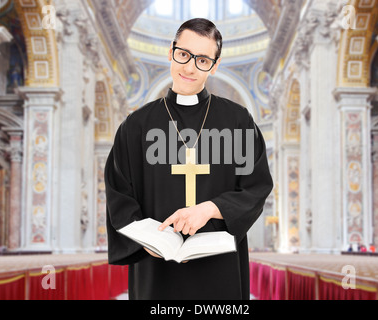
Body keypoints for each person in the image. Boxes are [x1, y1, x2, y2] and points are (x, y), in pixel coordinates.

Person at [105, 18, 273, 300]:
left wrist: (210, 208)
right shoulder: (136, 126)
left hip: (219, 269)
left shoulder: (238, 121)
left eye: (203, 60)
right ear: (171, 51)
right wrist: (147, 239)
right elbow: (118, 193)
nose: (190, 67)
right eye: (184, 54)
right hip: (156, 269)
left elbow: (256, 187)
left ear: (215, 65)